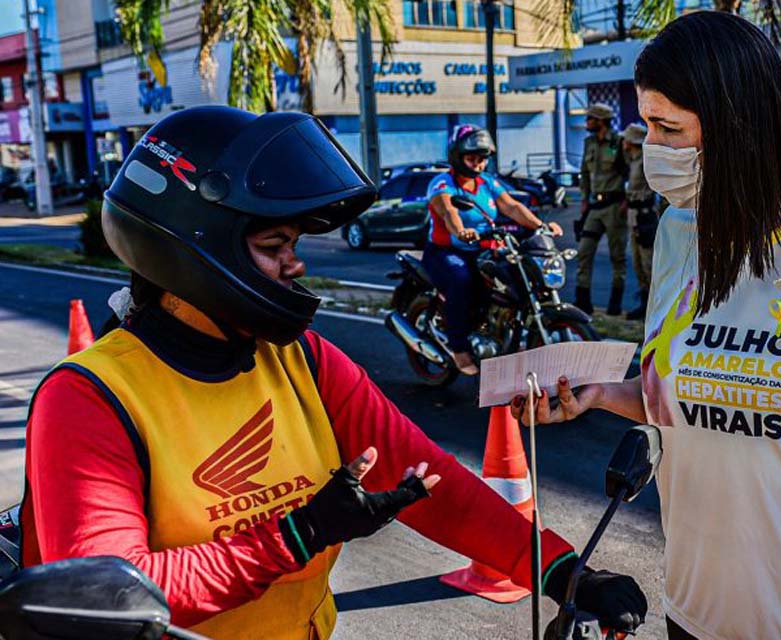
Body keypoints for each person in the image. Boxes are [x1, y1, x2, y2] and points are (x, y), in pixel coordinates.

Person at [19, 107, 645, 640]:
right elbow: (109, 595)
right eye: (274, 247)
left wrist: (562, 571)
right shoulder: (91, 398)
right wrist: (299, 534)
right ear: (190, 251)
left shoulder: (303, 360)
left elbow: (432, 482)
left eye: (293, 245)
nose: (295, 266)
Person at [513, 12, 781, 640]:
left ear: (739, 127)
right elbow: (677, 398)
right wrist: (597, 395)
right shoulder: (678, 231)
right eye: (647, 126)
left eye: (669, 128)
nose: (652, 148)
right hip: (698, 611)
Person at [424, 124, 563, 375]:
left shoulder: (487, 182)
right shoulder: (443, 183)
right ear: (457, 156)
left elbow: (512, 207)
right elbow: (448, 211)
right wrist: (461, 231)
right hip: (446, 251)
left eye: (482, 159)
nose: (478, 164)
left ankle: (501, 328)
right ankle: (459, 348)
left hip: (483, 248)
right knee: (461, 280)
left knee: (512, 278)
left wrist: (541, 226)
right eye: (472, 158)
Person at [575, 102, 628, 316]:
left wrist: (627, 200)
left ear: (601, 121)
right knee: (584, 251)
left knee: (617, 257)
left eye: (590, 118)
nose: (587, 122)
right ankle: (583, 301)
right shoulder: (589, 143)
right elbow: (584, 174)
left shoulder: (619, 141)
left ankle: (615, 304)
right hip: (594, 207)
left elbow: (632, 171)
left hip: (615, 205)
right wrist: (584, 200)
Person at [621, 122, 657, 320]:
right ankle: (645, 303)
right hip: (633, 214)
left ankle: (655, 307)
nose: (623, 142)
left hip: (644, 214)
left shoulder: (645, 160)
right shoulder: (633, 159)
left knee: (648, 261)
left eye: (627, 139)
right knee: (637, 262)